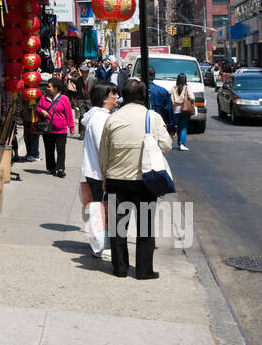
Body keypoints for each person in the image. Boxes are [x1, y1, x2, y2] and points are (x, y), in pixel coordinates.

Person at [98, 78, 172, 279]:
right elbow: (166, 144)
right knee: (146, 227)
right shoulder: (152, 117)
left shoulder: (112, 118)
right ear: (143, 96)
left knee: (118, 227)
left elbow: (103, 152)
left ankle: (120, 268)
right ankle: (144, 270)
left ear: (123, 96)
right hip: (145, 181)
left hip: (116, 179)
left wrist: (105, 176)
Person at [80, 81, 120, 261]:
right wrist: (107, 175)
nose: (117, 98)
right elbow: (101, 148)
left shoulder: (98, 116)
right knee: (101, 210)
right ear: (105, 98)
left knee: (100, 208)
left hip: (96, 171)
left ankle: (100, 244)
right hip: (99, 172)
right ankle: (100, 246)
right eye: (114, 95)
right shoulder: (100, 119)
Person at [35, 75, 76, 177]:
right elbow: (38, 108)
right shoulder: (44, 98)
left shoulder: (64, 99)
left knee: (61, 150)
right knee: (49, 149)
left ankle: (60, 168)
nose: (47, 88)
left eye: (49, 87)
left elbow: (68, 114)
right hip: (47, 129)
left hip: (61, 130)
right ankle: (50, 168)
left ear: (56, 88)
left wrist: (71, 127)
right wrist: (42, 111)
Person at [148, 67, 176, 138]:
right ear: (154, 76)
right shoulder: (162, 91)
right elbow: (168, 111)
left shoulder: (137, 90)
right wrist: (172, 128)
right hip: (158, 126)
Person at [170, 72, 195, 151]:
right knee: (184, 127)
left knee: (178, 126)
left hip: (176, 109)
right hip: (184, 109)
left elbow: (171, 100)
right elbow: (192, 97)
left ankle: (175, 142)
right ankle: (182, 144)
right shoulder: (187, 87)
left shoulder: (174, 88)